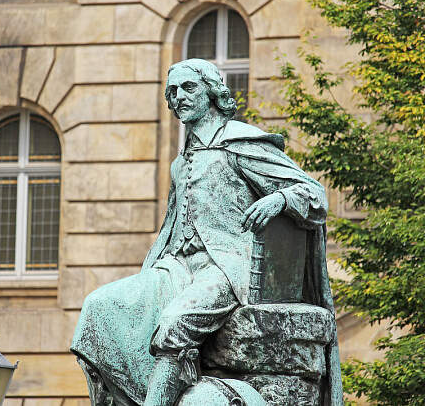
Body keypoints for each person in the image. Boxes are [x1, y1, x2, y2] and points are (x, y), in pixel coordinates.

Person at [71, 59, 342, 406]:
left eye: (188, 88)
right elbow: (171, 227)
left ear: (213, 92)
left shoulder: (240, 143)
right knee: (97, 309)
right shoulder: (180, 162)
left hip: (227, 266)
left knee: (173, 322)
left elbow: (314, 194)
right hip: (177, 265)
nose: (178, 97)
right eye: (172, 91)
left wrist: (280, 199)